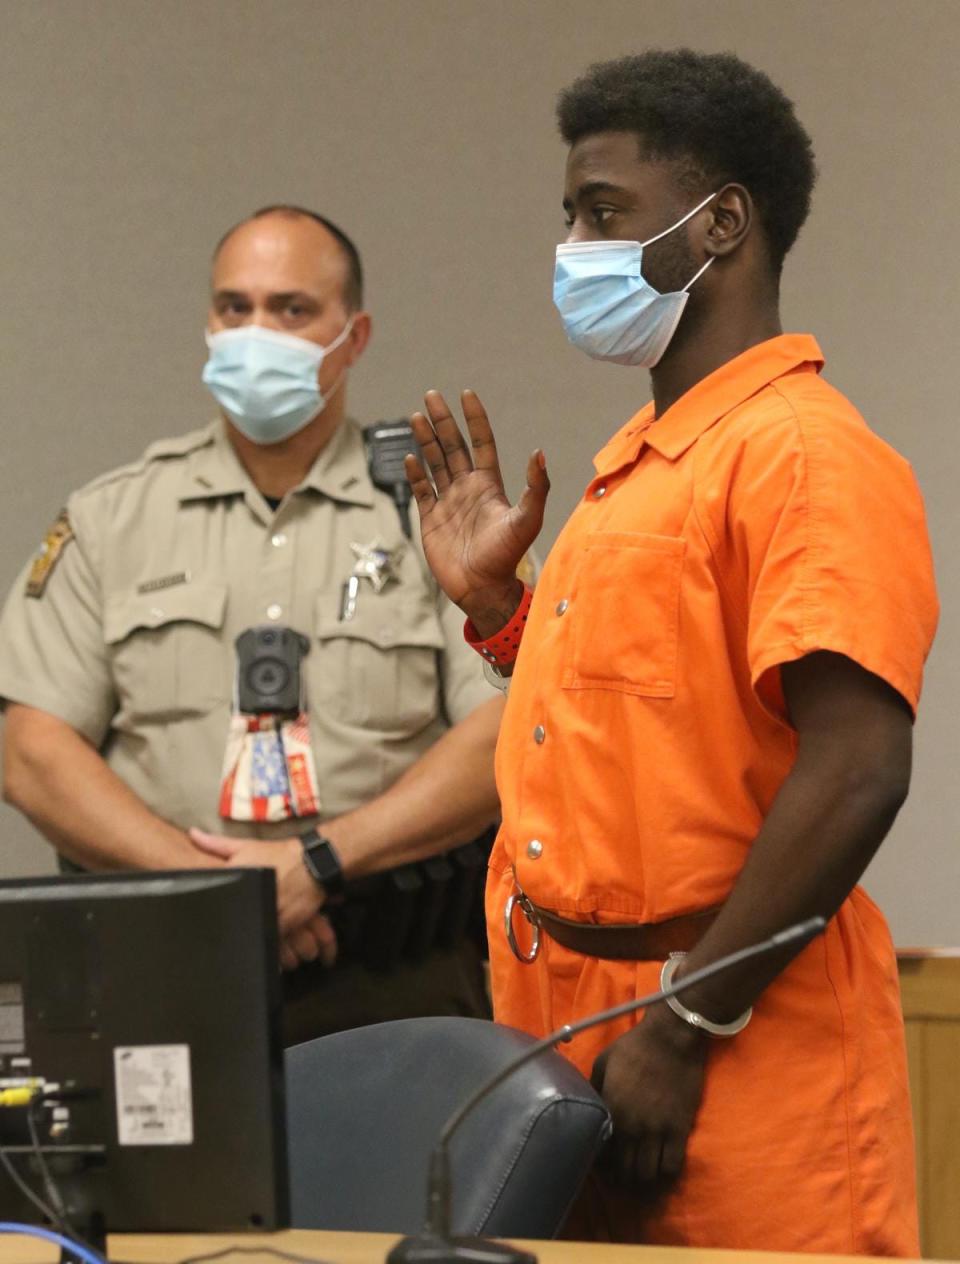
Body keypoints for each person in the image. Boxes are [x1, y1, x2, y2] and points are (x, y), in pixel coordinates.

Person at [404, 49, 938, 1256]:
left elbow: (860, 766)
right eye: (569, 216)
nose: (572, 249)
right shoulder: (644, 460)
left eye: (604, 213)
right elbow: (649, 723)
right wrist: (500, 613)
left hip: (729, 1039)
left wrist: (687, 1025)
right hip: (573, 1032)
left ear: (722, 223)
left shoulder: (804, 453)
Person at [0, 205, 504, 1044]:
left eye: (292, 309)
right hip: (158, 978)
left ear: (355, 334)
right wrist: (230, 897)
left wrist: (320, 862)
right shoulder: (113, 518)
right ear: (207, 322)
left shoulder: (435, 519)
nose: (256, 331)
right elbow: (31, 752)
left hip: (392, 982)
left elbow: (508, 733)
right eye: (235, 308)